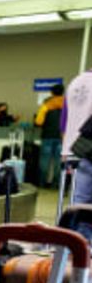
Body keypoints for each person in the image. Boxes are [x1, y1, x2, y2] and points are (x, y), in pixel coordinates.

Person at [63, 70, 92, 237]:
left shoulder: (75, 82)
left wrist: (66, 149)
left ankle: (77, 249)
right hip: (85, 150)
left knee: (79, 203)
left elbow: (64, 121)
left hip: (83, 149)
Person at [36, 83, 65, 188]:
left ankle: (42, 184)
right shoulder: (67, 104)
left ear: (52, 93)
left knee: (44, 161)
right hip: (62, 137)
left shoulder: (46, 104)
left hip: (47, 136)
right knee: (58, 162)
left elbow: (39, 121)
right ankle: (56, 185)